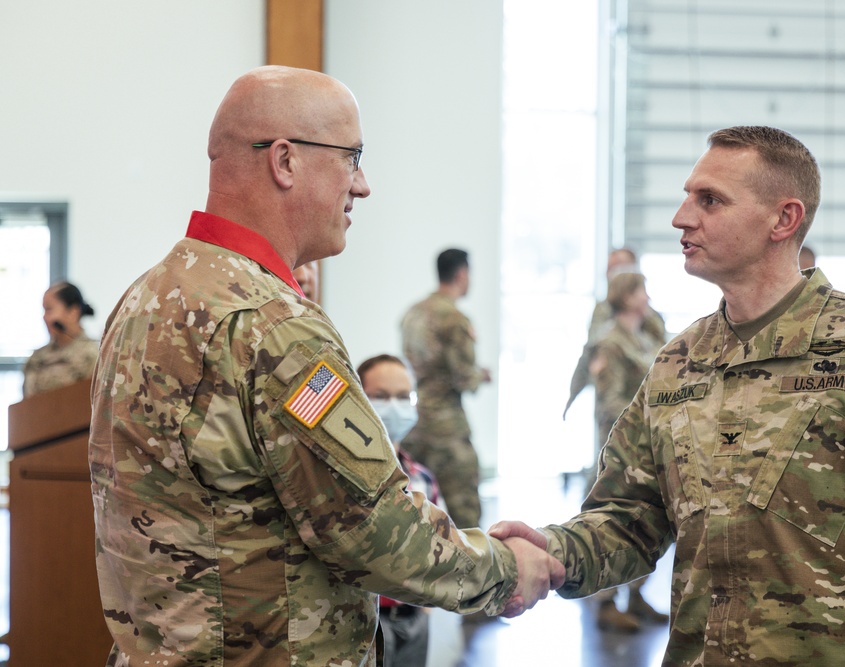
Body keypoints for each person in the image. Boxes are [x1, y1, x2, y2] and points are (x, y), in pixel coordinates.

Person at [88, 66, 563, 666]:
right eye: (352, 157)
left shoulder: (145, 298)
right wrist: (507, 569)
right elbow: (376, 529)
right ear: (284, 161)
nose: (361, 185)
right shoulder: (273, 326)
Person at [494, 126, 845, 665]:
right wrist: (553, 554)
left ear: (784, 219)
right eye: (688, 196)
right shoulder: (677, 364)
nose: (681, 217)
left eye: (709, 200)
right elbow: (628, 521)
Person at [587, 271, 669, 632]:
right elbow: (609, 402)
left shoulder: (643, 334)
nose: (647, 297)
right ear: (625, 296)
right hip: (621, 448)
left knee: (649, 522)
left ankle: (636, 596)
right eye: (641, 291)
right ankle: (605, 603)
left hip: (648, 445)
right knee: (610, 522)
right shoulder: (611, 342)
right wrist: (646, 416)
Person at [401, 248, 491, 530]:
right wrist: (481, 376)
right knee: (467, 515)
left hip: (414, 423)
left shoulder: (412, 314)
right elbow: (464, 378)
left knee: (416, 510)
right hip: (448, 429)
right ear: (462, 274)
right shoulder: (454, 319)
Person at [358, 353, 439, 667]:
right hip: (365, 622)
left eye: (404, 397)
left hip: (414, 616)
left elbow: (439, 544)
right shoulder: (341, 479)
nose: (394, 406)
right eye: (380, 396)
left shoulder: (422, 479)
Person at [563, 247, 666, 419]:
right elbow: (593, 353)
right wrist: (573, 395)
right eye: (611, 269)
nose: (613, 273)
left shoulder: (650, 321)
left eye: (621, 267)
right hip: (626, 427)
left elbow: (664, 354)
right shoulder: (609, 332)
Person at [22, 281, 99, 397]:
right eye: (44, 310)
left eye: (49, 309)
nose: (45, 317)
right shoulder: (37, 358)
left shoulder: (93, 356)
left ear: (73, 312)